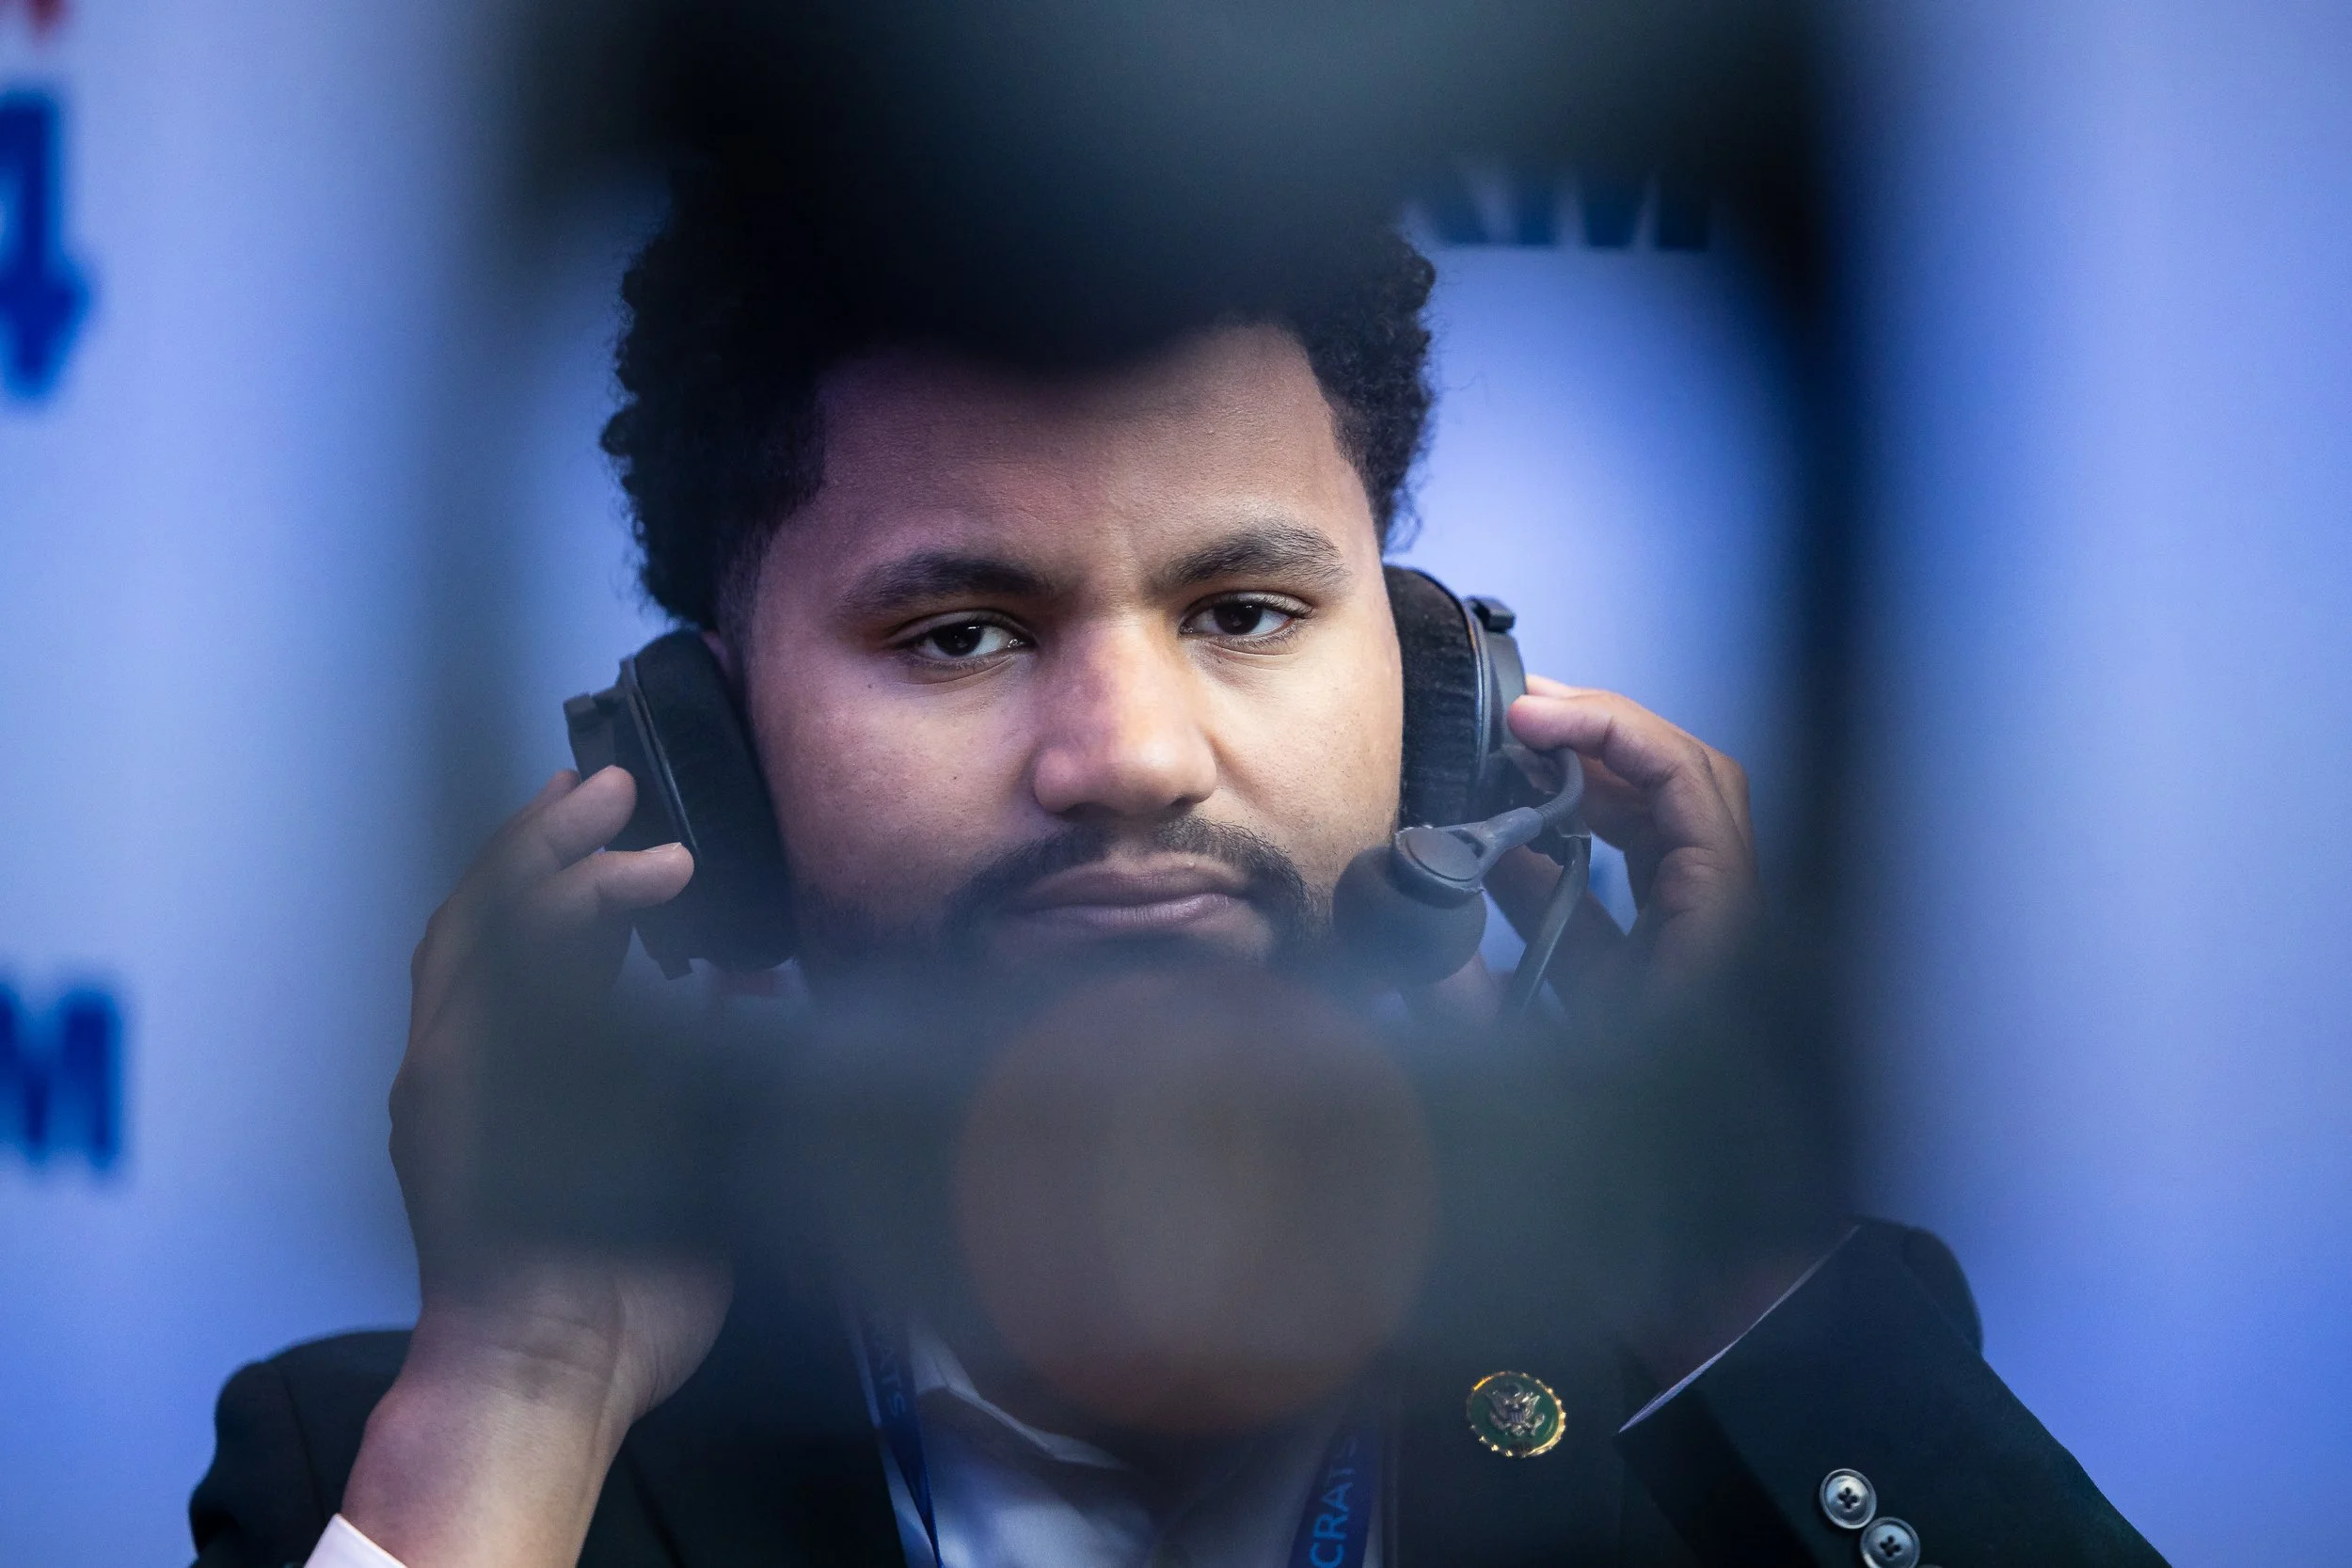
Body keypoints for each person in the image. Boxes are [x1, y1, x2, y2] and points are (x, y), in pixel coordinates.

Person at [189, 170, 2165, 1568]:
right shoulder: (402, 1455)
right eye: (956, 630)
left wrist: (1714, 1261)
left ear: (1440, 698)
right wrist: (523, 1399)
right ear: (710, 769)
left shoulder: (1771, 1380)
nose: (1130, 756)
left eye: (1238, 609)